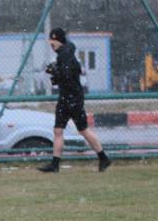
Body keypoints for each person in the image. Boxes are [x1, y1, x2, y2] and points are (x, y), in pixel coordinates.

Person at [37, 28, 111, 173]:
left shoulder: (65, 55)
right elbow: (67, 73)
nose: (51, 45)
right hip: (69, 97)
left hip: (70, 98)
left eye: (53, 42)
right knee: (61, 130)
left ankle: (103, 158)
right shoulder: (65, 54)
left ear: (58, 41)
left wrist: (54, 72)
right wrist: (55, 70)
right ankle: (56, 164)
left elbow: (67, 76)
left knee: (79, 130)